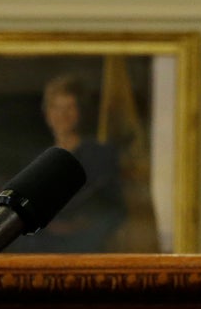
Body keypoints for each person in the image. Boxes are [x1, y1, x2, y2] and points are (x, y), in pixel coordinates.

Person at [12, 73, 128, 252]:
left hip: (89, 247)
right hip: (42, 249)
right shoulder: (34, 161)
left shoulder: (101, 155)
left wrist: (83, 233)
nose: (62, 115)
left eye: (69, 107)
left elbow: (114, 210)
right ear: (48, 113)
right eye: (57, 108)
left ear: (79, 111)